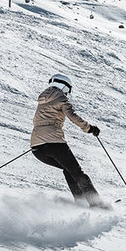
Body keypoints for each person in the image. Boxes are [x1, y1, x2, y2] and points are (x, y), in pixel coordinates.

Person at [30, 73, 105, 207]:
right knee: (78, 173)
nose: (67, 93)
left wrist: (41, 140)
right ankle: (97, 204)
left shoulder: (41, 100)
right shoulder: (61, 98)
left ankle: (80, 202)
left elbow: (37, 121)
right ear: (64, 87)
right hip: (54, 144)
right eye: (68, 90)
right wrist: (89, 128)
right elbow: (72, 115)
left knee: (68, 170)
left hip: (37, 148)